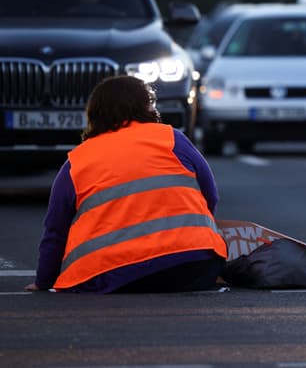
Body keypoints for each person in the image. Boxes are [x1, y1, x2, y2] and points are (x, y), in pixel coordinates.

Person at [26, 75, 227, 293]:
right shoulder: (172, 139)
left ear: (95, 113)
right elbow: (210, 194)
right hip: (196, 265)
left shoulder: (78, 161)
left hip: (115, 275)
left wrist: (43, 282)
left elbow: (56, 228)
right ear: (145, 107)